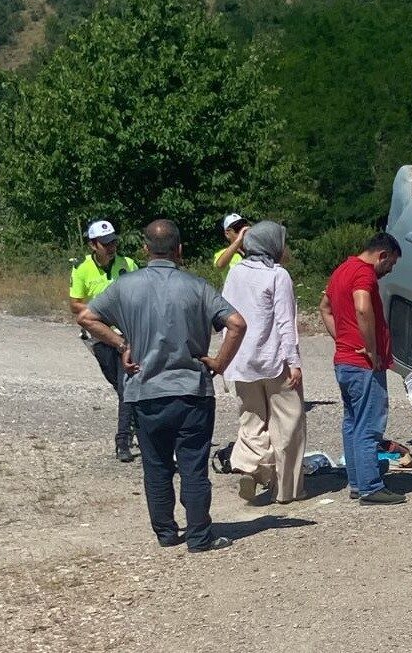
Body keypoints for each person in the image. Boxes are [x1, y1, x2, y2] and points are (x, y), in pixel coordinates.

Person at [78, 219, 247, 553]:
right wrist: (220, 363)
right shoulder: (197, 286)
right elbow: (237, 323)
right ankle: (199, 536)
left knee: (156, 466)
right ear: (179, 249)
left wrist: (121, 344)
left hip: (144, 390)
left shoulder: (126, 286)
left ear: (145, 249)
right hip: (191, 391)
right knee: (193, 466)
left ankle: (166, 533)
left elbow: (86, 317)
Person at [221, 220, 307, 505]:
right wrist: (294, 362)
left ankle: (250, 466)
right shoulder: (277, 275)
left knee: (251, 419)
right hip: (275, 359)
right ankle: (285, 489)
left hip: (241, 360)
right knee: (288, 422)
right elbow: (285, 322)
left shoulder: (235, 273)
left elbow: (224, 315)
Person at [319, 232, 405, 506]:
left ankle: (357, 481)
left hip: (344, 360)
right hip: (363, 364)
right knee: (369, 424)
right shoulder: (363, 273)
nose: (389, 270)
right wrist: (370, 347)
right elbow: (362, 307)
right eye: (390, 263)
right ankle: (370, 486)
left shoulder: (340, 271)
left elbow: (324, 308)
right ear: (382, 255)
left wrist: (342, 338)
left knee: (352, 422)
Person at [69, 219, 139, 462]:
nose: (112, 247)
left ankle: (123, 441)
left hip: (126, 335)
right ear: (93, 245)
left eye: (113, 241)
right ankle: (138, 426)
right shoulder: (81, 268)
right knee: (119, 385)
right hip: (100, 335)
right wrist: (101, 312)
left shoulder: (128, 264)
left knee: (126, 385)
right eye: (106, 243)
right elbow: (75, 304)